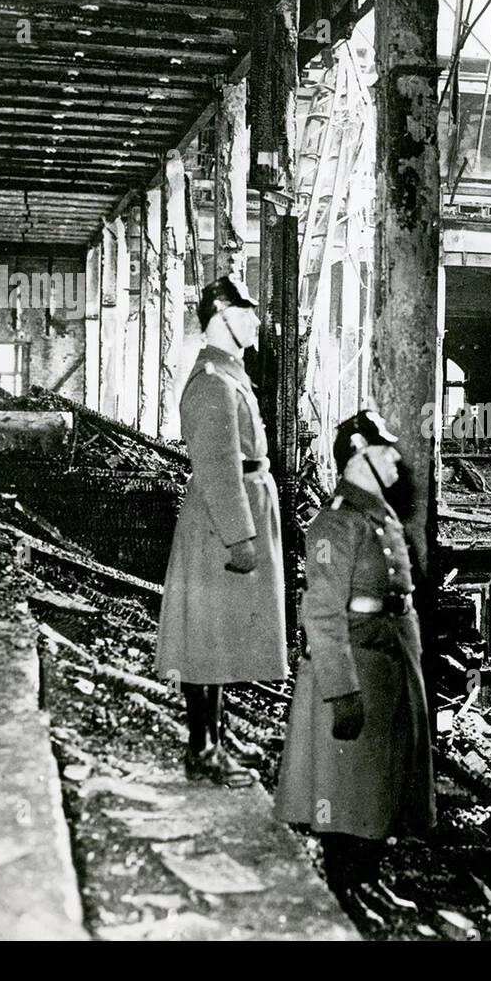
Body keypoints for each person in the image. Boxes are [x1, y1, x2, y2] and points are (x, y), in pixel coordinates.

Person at [275, 409, 435, 913]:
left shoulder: (379, 515)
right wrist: (340, 689)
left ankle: (369, 877)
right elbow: (321, 614)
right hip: (359, 663)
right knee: (347, 781)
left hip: (392, 660)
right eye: (385, 450)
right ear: (359, 454)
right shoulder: (335, 523)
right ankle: (343, 887)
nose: (395, 459)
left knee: (382, 777)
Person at [156, 279, 287, 787]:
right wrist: (240, 535)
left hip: (237, 508)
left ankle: (213, 741)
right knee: (205, 640)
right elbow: (215, 466)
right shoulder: (212, 379)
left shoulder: (230, 374)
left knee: (219, 638)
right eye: (247, 312)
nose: (256, 322)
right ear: (220, 317)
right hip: (220, 519)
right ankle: (201, 749)